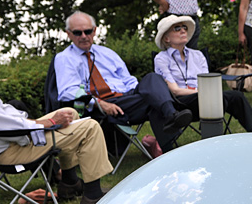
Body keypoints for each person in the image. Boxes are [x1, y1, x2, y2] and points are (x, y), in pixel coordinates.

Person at [0, 31, 112, 204]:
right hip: (8, 150)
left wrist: (39, 122)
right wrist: (48, 122)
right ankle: (93, 196)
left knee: (69, 113)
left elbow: (1, 118)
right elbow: (7, 126)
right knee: (90, 127)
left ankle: (70, 183)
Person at [55, 11, 193, 153]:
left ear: (95, 31)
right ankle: (168, 145)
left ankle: (170, 117)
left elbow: (128, 79)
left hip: (127, 98)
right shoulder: (64, 58)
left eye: (88, 31)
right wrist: (99, 103)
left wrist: (142, 91)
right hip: (103, 104)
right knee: (153, 101)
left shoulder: (107, 53)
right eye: (78, 33)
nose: (84, 36)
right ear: (68, 33)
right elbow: (67, 92)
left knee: (152, 78)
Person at [153, 15, 252, 134]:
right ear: (166, 38)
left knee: (237, 96)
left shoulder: (198, 55)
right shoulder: (161, 59)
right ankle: (212, 134)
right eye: (177, 28)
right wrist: (203, 93)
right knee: (215, 98)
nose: (183, 30)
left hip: (206, 96)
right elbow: (175, 90)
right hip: (181, 103)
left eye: (184, 27)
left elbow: (207, 83)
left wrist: (205, 93)